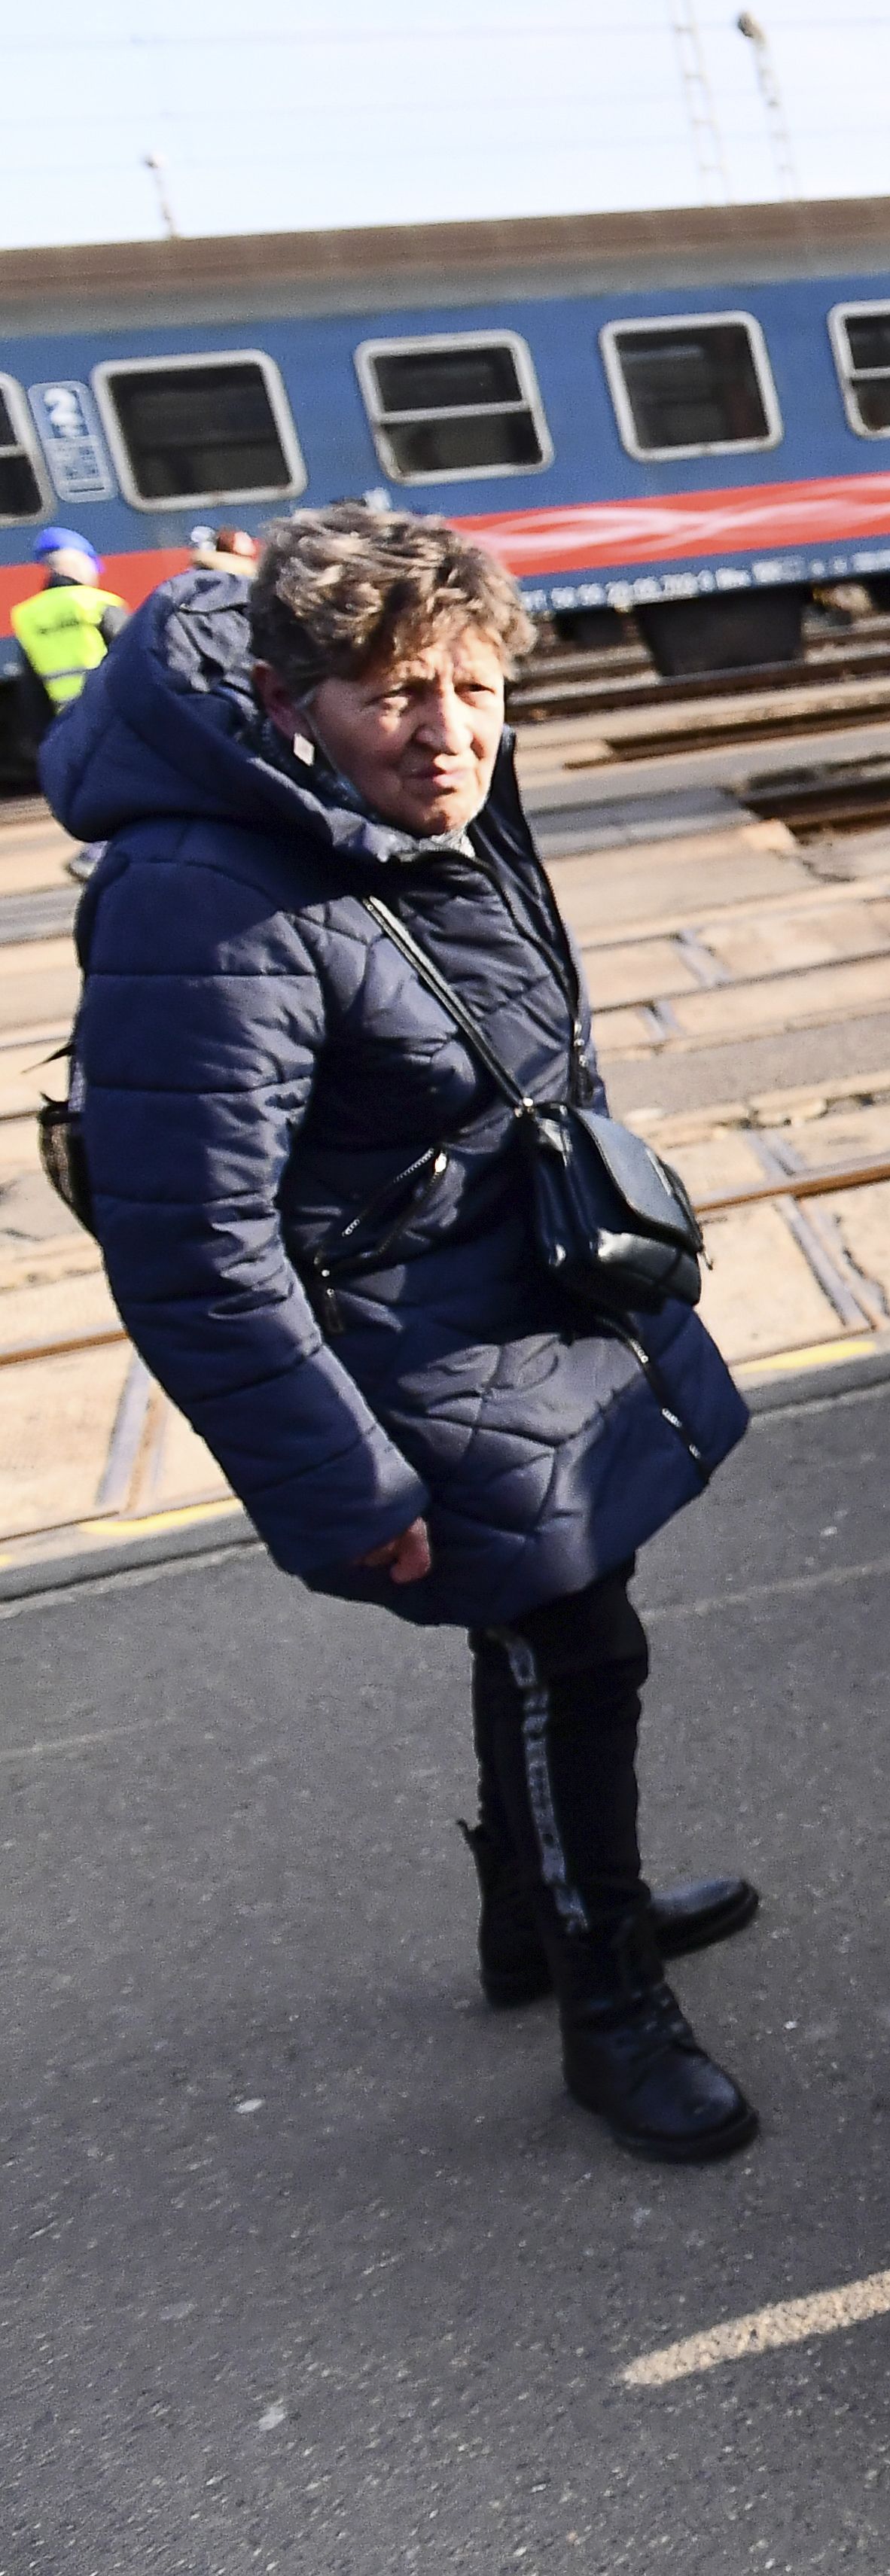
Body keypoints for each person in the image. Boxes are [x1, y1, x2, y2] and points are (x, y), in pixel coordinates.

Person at [44, 507, 760, 2160]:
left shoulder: (410, 807)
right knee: (575, 1652)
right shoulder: (202, 899)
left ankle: (547, 1917)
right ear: (289, 699)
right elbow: (193, 1251)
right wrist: (343, 1485)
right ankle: (610, 2001)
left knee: (554, 1634)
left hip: (506, 1297)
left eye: (473, 689)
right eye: (394, 697)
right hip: (404, 1346)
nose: (446, 735)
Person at [17, 526, 131, 715]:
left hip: (69, 721)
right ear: (75, 564)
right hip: (114, 714)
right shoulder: (99, 603)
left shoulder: (28, 614)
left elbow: (31, 689)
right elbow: (136, 658)